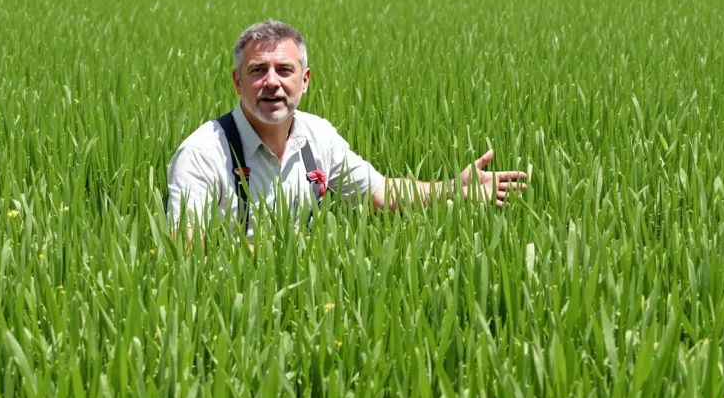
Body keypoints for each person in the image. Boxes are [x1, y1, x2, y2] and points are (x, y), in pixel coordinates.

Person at [167, 20, 528, 243]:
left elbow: (381, 193)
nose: (272, 82)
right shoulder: (202, 153)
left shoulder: (318, 137)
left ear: (304, 81)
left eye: (285, 70)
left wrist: (454, 188)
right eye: (258, 70)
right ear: (237, 81)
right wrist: (269, 250)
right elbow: (184, 248)